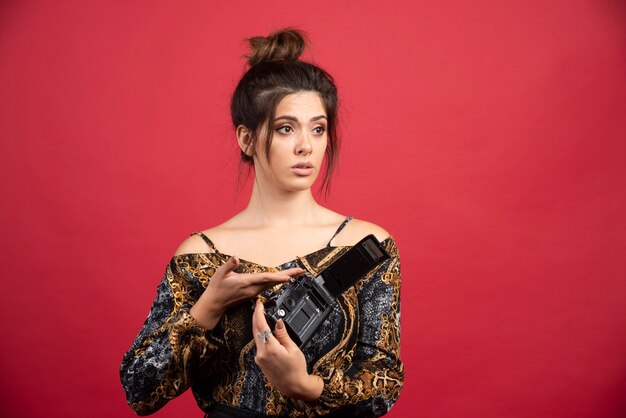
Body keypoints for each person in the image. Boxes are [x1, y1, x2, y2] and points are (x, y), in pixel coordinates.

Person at [120, 28, 404, 418]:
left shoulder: (366, 247)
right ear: (247, 139)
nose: (306, 145)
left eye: (317, 128)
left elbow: (383, 382)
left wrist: (304, 386)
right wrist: (208, 308)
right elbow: (139, 390)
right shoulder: (203, 255)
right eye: (286, 128)